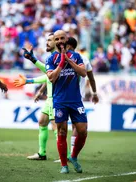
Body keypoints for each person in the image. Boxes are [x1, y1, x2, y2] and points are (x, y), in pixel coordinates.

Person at [46, 30, 87, 174]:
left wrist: (69, 61)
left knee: (82, 131)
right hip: (60, 101)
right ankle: (64, 165)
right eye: (56, 39)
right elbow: (51, 78)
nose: (59, 41)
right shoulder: (51, 59)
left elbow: (83, 73)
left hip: (76, 101)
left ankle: (74, 156)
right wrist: (62, 63)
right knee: (62, 131)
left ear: (66, 39)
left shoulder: (76, 56)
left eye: (62, 38)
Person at [13, 33, 59, 160]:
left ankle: (65, 156)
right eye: (47, 40)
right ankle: (42, 153)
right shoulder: (52, 57)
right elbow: (48, 76)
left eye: (50, 40)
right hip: (50, 98)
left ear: (57, 42)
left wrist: (33, 60)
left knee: (57, 127)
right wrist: (30, 82)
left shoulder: (58, 57)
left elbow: (49, 75)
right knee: (42, 121)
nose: (47, 42)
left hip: (56, 98)